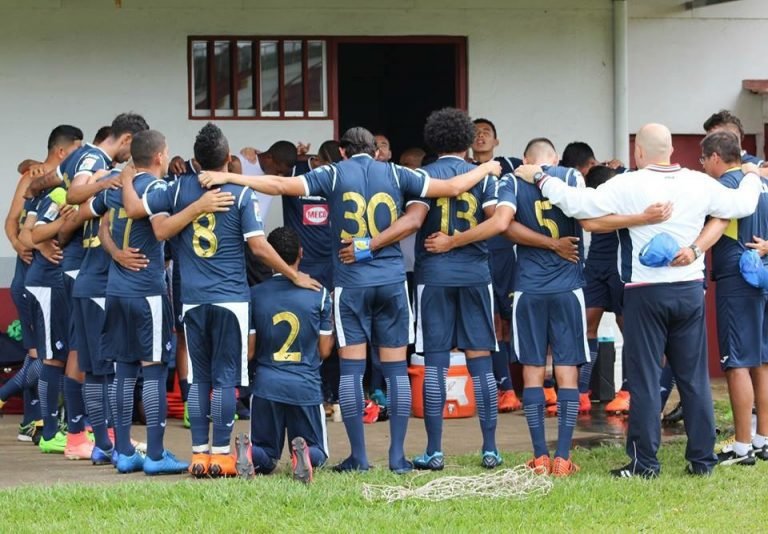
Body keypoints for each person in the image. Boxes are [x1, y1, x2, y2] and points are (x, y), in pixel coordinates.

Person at [199, 126, 502, 473]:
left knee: (352, 371)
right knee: (396, 371)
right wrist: (485, 168)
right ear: (376, 151)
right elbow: (451, 188)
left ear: (342, 152)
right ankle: (397, 458)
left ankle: (359, 457)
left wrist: (233, 179)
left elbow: (282, 185)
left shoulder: (332, 172)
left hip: (351, 282)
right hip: (390, 281)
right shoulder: (396, 172)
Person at [514, 123, 763, 477]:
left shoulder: (629, 183)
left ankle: (645, 463)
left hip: (645, 292)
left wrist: (540, 177)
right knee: (693, 378)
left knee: (645, 378)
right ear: (672, 150)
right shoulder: (698, 181)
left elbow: (578, 204)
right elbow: (742, 203)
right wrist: (752, 174)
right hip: (690, 290)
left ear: (639, 153)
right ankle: (702, 461)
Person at [124, 124, 320, 477]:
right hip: (230, 299)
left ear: (196, 161)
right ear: (228, 160)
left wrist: (127, 176)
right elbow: (259, 247)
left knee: (199, 379)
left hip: (193, 299)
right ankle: (221, 455)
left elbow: (150, 220)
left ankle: (199, 456)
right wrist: (294, 275)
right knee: (226, 379)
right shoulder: (240, 194)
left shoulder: (174, 189)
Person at [404, 108, 501, 470]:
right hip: (476, 275)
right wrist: (462, 241)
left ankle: (434, 451)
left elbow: (412, 222)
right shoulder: (485, 177)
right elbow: (496, 225)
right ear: (465, 140)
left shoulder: (420, 176)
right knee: (482, 366)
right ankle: (490, 449)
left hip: (434, 278)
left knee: (435, 366)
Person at [96, 129, 188, 475]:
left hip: (116, 292)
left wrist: (116, 254)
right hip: (146, 292)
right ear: (161, 156)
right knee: (152, 373)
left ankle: (123, 453)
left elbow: (102, 225)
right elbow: (163, 230)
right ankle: (155, 455)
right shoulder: (155, 189)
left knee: (123, 372)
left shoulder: (117, 183)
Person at [0, 125, 83, 446]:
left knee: (43, 352)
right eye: (78, 148)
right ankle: (30, 414)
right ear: (63, 152)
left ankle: (31, 420)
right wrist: (25, 244)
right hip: (33, 276)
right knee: (43, 354)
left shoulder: (68, 180)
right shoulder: (34, 179)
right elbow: (15, 224)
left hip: (51, 274)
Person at [699, 131, 768, 465]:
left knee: (737, 362)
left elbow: (715, 225)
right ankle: (762, 438)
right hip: (762, 278)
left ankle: (742, 447)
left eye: (702, 159)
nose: (702, 166)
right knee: (760, 360)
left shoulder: (725, 187)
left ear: (715, 157)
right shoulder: (761, 182)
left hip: (737, 279)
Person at [247, 227, 334, 483]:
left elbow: (250, 351)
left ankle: (250, 452)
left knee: (267, 456)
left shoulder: (255, 295)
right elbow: (325, 350)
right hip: (304, 386)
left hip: (266, 384)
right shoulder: (319, 294)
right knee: (318, 451)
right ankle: (303, 455)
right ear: (301, 253)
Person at [470, 118, 523, 412]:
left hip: (508, 254)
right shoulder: (464, 169)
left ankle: (543, 386)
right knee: (491, 324)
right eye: (475, 133)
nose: (480, 137)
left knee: (514, 321)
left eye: (486, 133)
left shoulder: (511, 166)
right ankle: (505, 389)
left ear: (496, 140)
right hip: (477, 252)